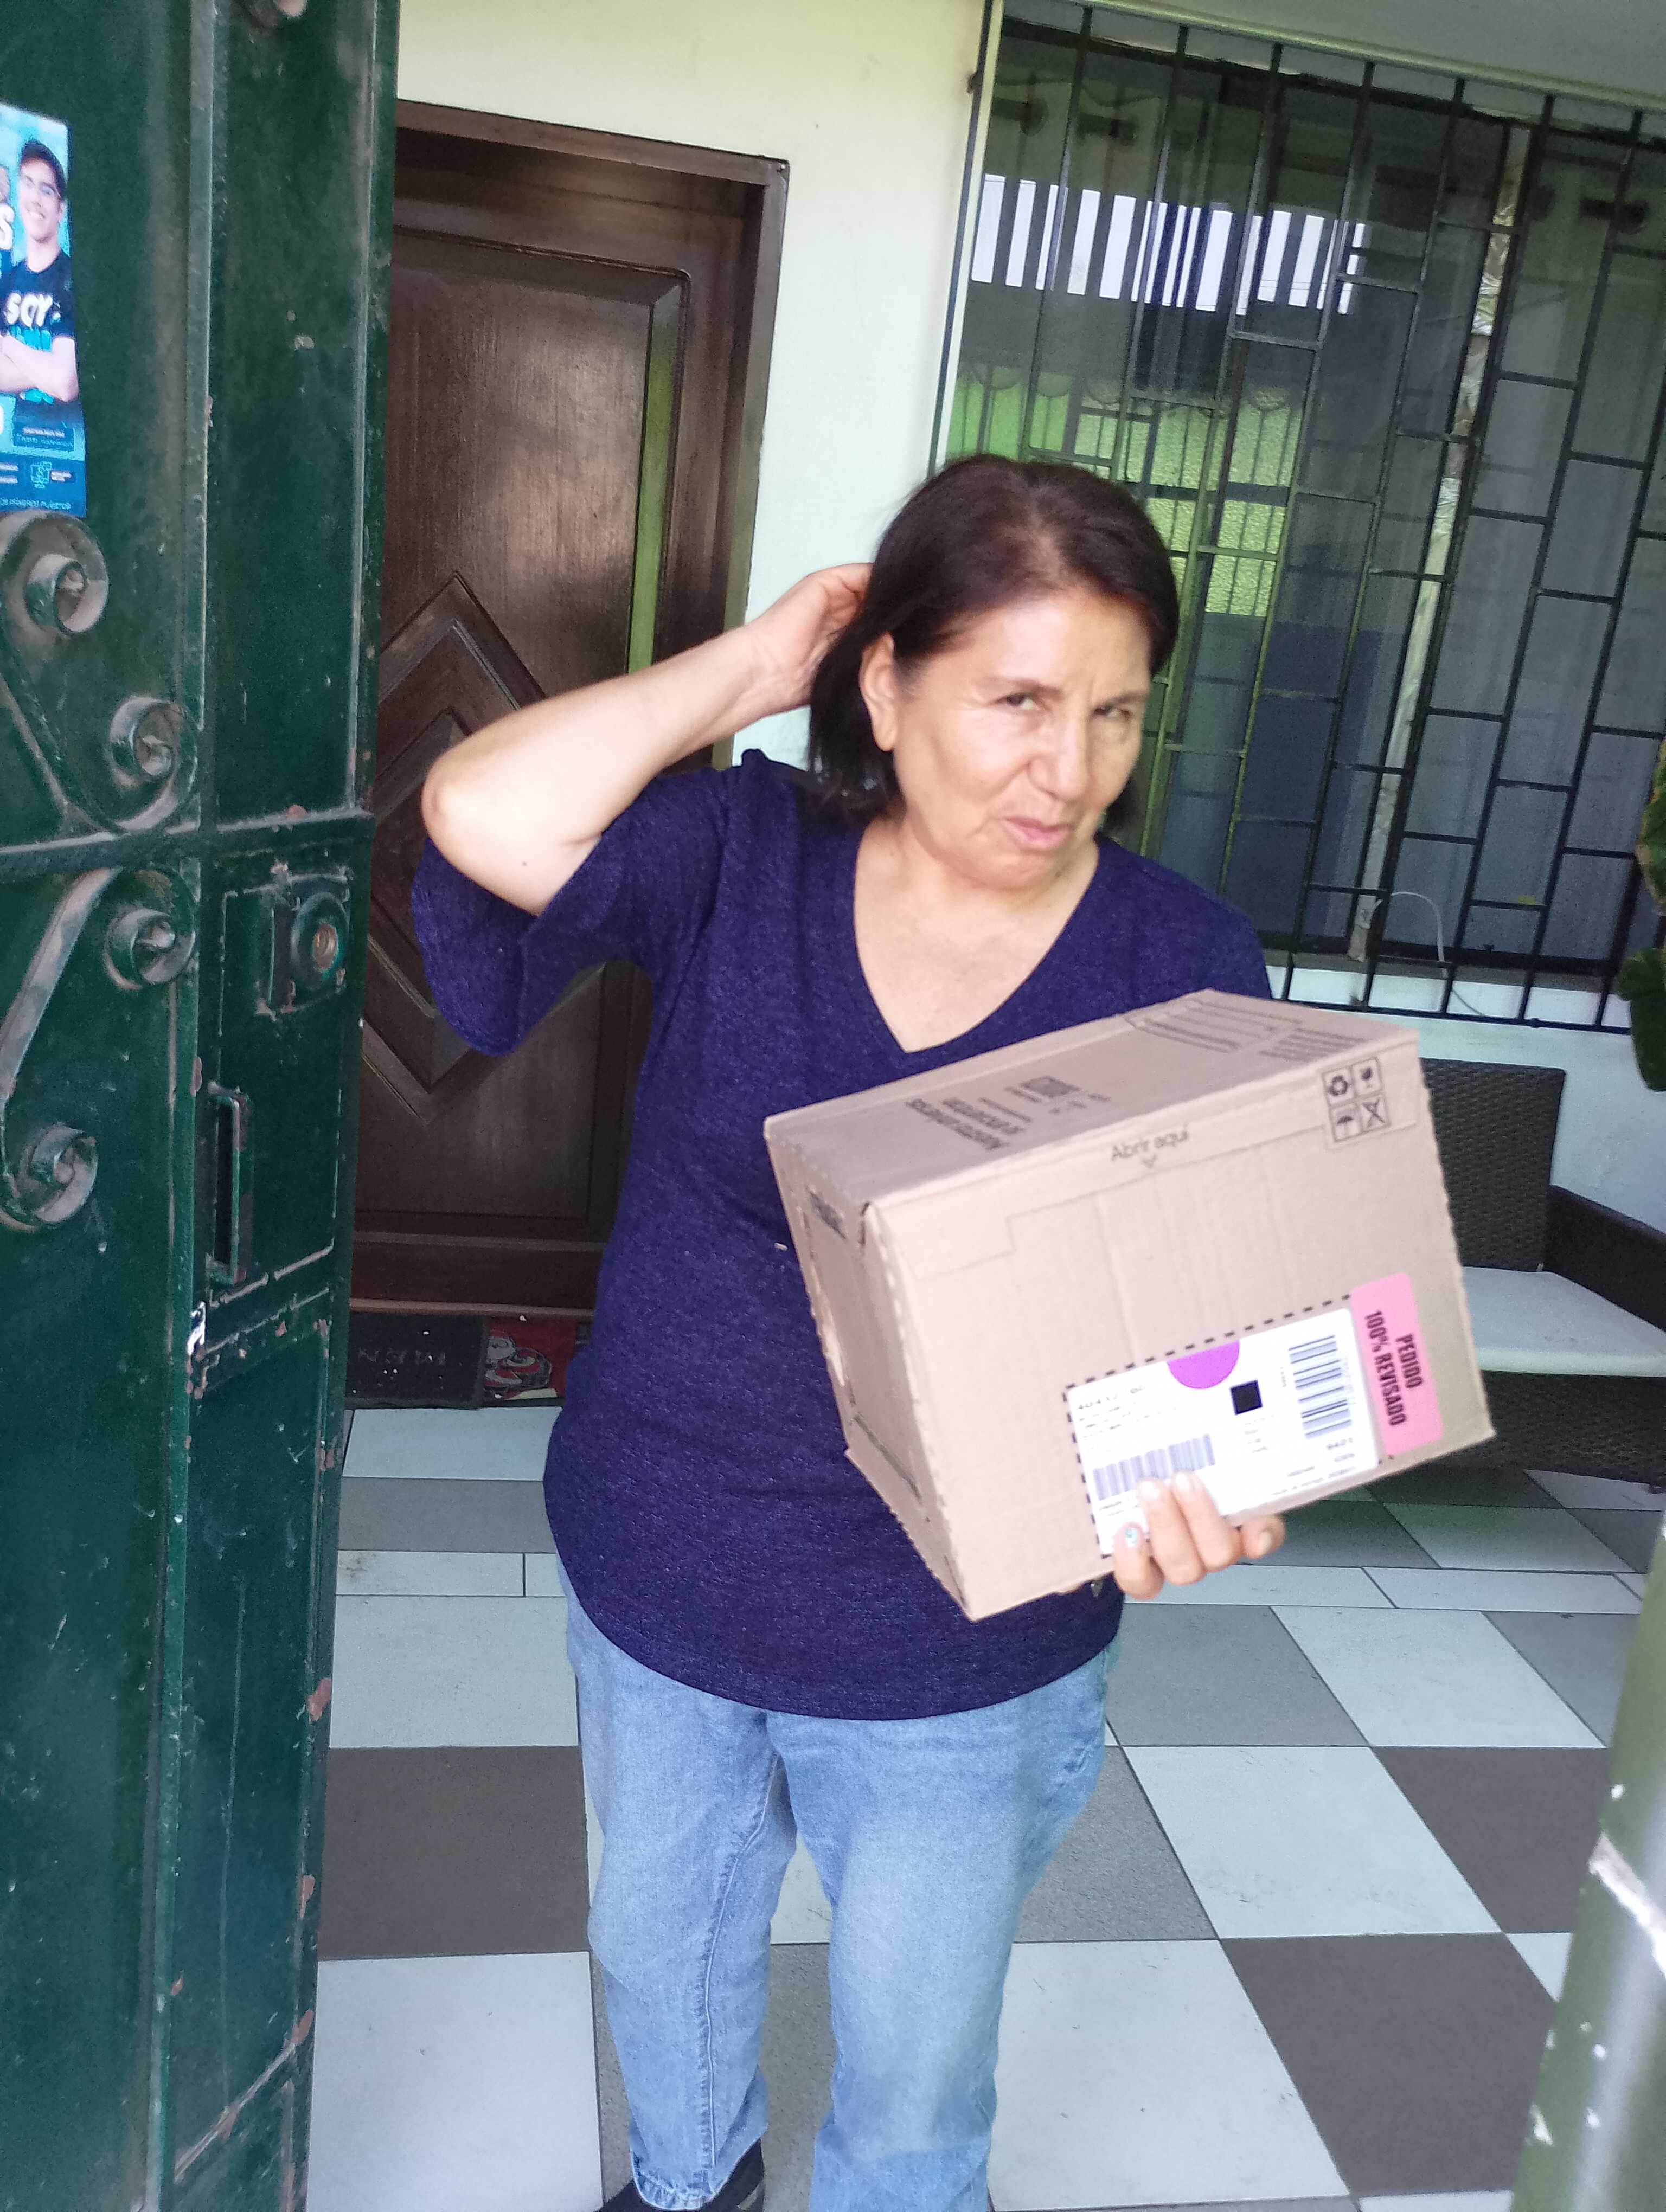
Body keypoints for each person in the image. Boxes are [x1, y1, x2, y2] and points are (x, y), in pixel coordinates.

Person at [413, 456, 1286, 2212]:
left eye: (1116, 713)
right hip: (668, 1560)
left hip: (959, 1638)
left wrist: (1220, 1466)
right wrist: (752, 668)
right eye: (1016, 702)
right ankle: (689, 2184)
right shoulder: (743, 854)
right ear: (884, 686)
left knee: (915, 2058)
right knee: (658, 1952)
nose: (1070, 771)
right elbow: (477, 809)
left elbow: (1226, 1306)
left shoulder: (1176, 966)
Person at [1, 140, 78, 409]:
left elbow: (66, 384)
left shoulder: (71, 279)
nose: (35, 198)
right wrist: (51, 369)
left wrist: (6, 344)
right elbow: (61, 376)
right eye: (28, 184)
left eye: (46, 190)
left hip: (64, 433)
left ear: (61, 209)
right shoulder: (7, 282)